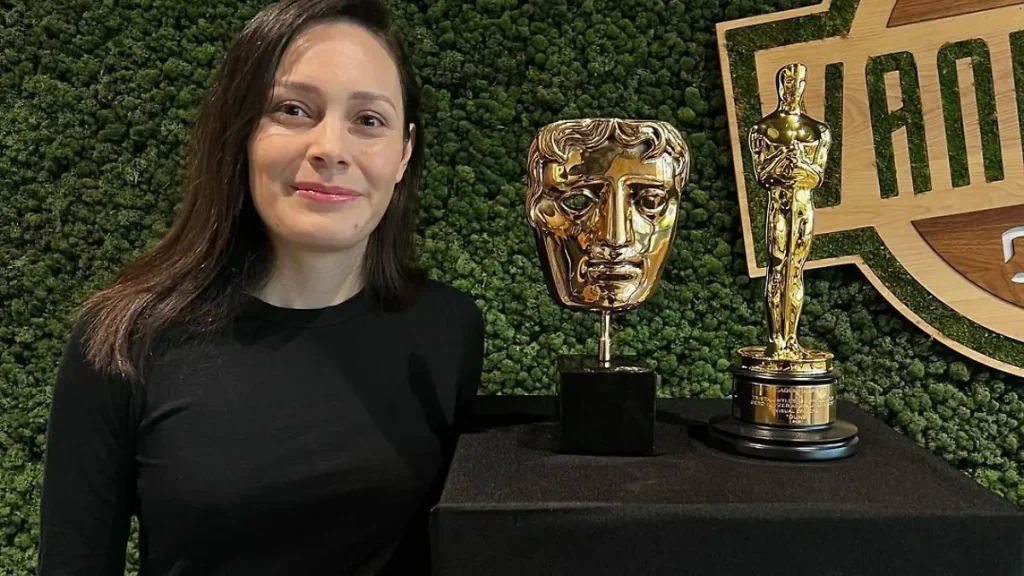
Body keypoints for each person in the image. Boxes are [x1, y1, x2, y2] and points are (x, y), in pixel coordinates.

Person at [35, 0, 484, 573]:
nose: (330, 148)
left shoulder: (449, 329)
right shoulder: (127, 338)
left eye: (369, 120)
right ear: (242, 132)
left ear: (404, 153)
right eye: (293, 110)